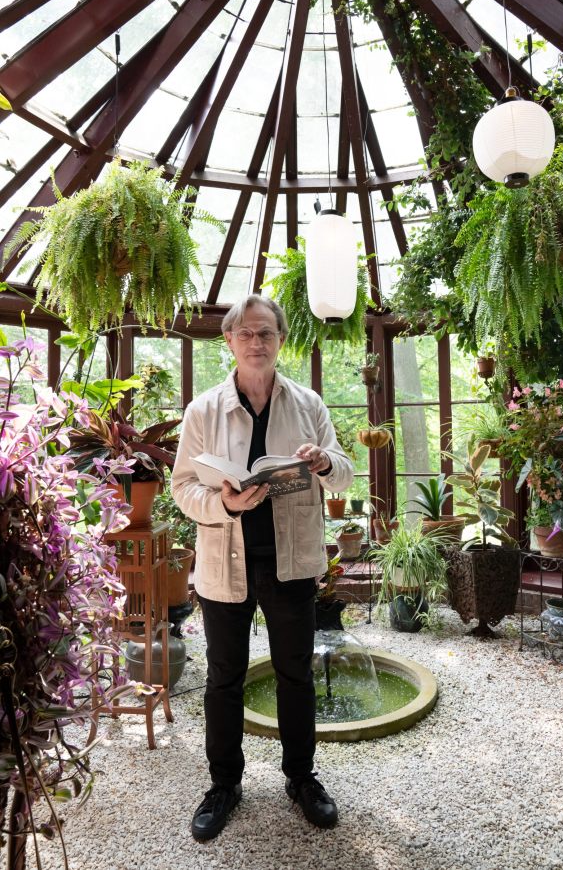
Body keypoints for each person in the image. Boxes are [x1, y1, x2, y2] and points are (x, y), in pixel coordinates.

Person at [171, 294, 353, 841]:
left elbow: (344, 474)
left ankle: (301, 778)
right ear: (228, 340)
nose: (256, 342)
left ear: (280, 339)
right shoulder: (202, 410)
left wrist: (323, 463)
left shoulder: (308, 404)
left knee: (294, 674)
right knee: (224, 679)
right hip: (224, 564)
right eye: (246, 333)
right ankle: (224, 784)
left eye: (266, 333)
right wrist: (223, 503)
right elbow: (183, 488)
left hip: (290, 563)